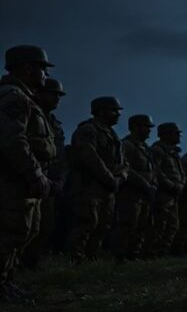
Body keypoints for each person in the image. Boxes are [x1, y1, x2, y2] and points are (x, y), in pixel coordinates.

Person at [0, 45, 56, 303]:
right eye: (42, 68)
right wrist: (35, 174)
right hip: (11, 180)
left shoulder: (24, 97)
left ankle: (6, 282)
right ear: (27, 68)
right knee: (9, 231)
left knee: (23, 231)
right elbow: (13, 141)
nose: (45, 74)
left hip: (21, 180)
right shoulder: (14, 97)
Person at [67, 96, 128, 263]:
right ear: (101, 111)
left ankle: (91, 259)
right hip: (89, 186)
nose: (118, 114)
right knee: (86, 223)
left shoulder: (113, 135)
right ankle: (75, 261)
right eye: (114, 110)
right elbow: (90, 158)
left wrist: (121, 177)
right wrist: (111, 179)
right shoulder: (88, 130)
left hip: (107, 188)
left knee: (103, 226)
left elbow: (124, 163)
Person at [22, 78, 67, 269]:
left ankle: (30, 266)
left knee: (43, 226)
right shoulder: (28, 112)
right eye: (53, 94)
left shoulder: (55, 124)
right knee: (21, 226)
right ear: (39, 93)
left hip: (50, 182)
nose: (57, 98)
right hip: (29, 178)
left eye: (59, 95)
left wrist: (60, 180)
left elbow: (61, 156)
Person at [114, 114, 157, 262]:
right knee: (128, 224)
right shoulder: (126, 144)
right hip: (131, 192)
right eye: (146, 127)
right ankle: (120, 255)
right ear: (136, 127)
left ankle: (134, 254)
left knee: (142, 225)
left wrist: (153, 184)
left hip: (145, 193)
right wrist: (145, 184)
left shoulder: (146, 148)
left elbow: (152, 170)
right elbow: (125, 168)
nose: (149, 130)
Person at [148, 122, 186, 257]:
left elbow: (182, 174)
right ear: (167, 134)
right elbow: (156, 171)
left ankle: (162, 252)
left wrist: (181, 184)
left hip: (173, 194)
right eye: (176, 133)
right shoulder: (157, 150)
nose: (179, 136)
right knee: (160, 224)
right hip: (162, 193)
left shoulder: (174, 153)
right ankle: (152, 252)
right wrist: (172, 185)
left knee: (172, 225)